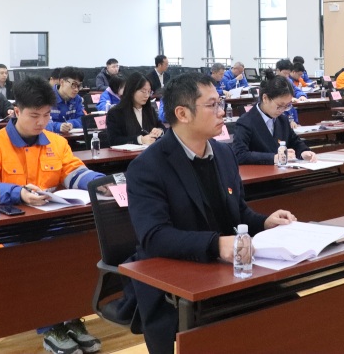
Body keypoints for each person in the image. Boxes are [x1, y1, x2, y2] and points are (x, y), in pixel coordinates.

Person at [126, 73, 296, 353]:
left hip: (226, 270)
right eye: (212, 105)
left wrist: (265, 222)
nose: (222, 112)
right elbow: (154, 237)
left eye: (221, 103)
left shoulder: (223, 154)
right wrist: (216, 244)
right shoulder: (148, 167)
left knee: (291, 310)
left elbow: (237, 213)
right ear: (182, 114)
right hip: (175, 281)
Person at [0, 77, 104, 354]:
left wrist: (101, 183)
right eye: (34, 116)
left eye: (46, 115)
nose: (42, 122)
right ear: (17, 111)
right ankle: (50, 325)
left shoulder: (57, 142)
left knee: (81, 248)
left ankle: (72, 317)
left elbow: (74, 172)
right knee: (41, 258)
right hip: (11, 228)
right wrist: (18, 193)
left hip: (53, 220)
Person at [233, 75, 315, 165]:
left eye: (287, 106)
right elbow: (239, 154)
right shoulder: (245, 122)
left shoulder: (282, 119)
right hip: (260, 172)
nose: (283, 110)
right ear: (265, 98)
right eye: (279, 106)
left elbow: (295, 142)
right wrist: (274, 158)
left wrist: (303, 152)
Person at [104, 72, 163, 147]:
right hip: (127, 154)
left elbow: (162, 127)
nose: (147, 95)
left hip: (150, 152)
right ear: (131, 90)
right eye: (143, 91)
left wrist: (160, 131)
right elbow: (114, 140)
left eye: (149, 91)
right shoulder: (115, 113)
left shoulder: (150, 110)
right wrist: (140, 140)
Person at [46, 67, 86, 133]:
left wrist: (71, 124)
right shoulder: (46, 98)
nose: (76, 89)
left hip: (72, 137)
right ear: (62, 82)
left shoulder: (77, 99)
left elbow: (82, 119)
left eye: (79, 86)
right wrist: (58, 126)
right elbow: (41, 123)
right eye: (73, 85)